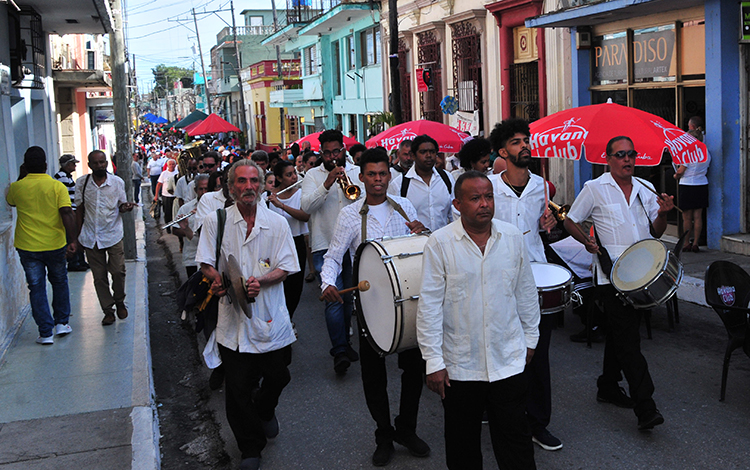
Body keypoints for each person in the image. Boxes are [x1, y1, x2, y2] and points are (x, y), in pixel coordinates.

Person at [417, 171, 540, 469]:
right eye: (475, 198)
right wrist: (434, 362)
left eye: (489, 197)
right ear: (458, 204)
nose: (484, 204)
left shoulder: (512, 237)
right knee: (463, 448)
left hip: (508, 359)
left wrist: (531, 339)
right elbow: (430, 306)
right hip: (461, 366)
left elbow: (525, 291)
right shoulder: (440, 243)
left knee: (516, 444)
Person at [320, 148, 429, 466]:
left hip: (407, 300)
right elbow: (334, 255)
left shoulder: (405, 207)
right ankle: (384, 434)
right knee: (373, 374)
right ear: (362, 177)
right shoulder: (349, 215)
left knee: (413, 370)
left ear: (389, 175)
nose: (378, 180)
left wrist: (421, 233)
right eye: (372, 174)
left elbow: (426, 248)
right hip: (369, 305)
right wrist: (328, 282)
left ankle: (406, 429)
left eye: (383, 174)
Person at [563, 136, 674, 431]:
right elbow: (570, 220)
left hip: (641, 276)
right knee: (629, 340)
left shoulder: (645, 189)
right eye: (621, 155)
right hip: (610, 276)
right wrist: (586, 240)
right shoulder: (594, 189)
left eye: (631, 154)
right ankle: (645, 407)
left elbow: (658, 231)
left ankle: (607, 385)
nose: (627, 159)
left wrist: (663, 214)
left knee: (619, 333)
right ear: (608, 159)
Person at [196, 160, 298, 470]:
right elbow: (205, 262)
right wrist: (218, 278)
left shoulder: (277, 223)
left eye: (254, 180)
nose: (248, 187)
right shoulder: (217, 221)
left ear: (263, 184)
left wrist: (261, 281)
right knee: (238, 389)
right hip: (233, 317)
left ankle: (265, 410)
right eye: (241, 181)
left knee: (279, 375)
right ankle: (250, 447)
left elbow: (286, 266)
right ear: (231, 188)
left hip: (270, 314)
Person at [487, 118, 561, 451]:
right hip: (498, 279)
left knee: (538, 352)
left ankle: (537, 422)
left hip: (534, 277)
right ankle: (505, 415)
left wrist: (551, 225)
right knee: (503, 351)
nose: (524, 145)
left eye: (526, 140)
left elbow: (550, 232)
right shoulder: (488, 188)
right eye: (516, 142)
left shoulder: (542, 187)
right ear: (503, 151)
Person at [301, 129, 363, 375]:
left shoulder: (356, 173)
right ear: (321, 152)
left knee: (348, 297)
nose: (331, 156)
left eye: (335, 151)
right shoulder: (311, 176)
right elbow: (307, 207)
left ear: (343, 150)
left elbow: (363, 201)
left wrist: (346, 182)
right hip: (325, 244)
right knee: (333, 299)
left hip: (352, 245)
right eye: (326, 152)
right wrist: (326, 185)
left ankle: (345, 343)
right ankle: (338, 350)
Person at [7, 146, 78, 344]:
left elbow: (11, 202)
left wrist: (23, 177)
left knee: (36, 287)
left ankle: (45, 333)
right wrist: (72, 240)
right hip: (54, 244)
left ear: (25, 166)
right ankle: (62, 323)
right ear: (46, 165)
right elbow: (66, 212)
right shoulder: (57, 187)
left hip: (28, 246)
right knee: (59, 281)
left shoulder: (16, 187)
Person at [75, 150, 136, 325]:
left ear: (106, 163)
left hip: (113, 234)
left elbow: (121, 205)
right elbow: (78, 209)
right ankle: (108, 310)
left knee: (118, 271)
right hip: (90, 236)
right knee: (99, 277)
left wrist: (126, 207)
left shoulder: (117, 182)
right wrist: (77, 236)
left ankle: (119, 301)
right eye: (96, 163)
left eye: (102, 162)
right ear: (89, 165)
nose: (100, 165)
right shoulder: (82, 183)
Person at [267, 160, 310, 322]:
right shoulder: (268, 197)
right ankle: (279, 321)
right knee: (279, 285)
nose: (294, 177)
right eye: (289, 174)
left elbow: (305, 216)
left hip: (295, 242)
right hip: (275, 245)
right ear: (279, 178)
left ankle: (288, 319)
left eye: (294, 173)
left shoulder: (300, 194)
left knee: (295, 286)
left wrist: (282, 206)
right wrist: (273, 201)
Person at [388, 135, 455, 232]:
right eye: (423, 152)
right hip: (414, 243)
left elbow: (454, 214)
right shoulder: (399, 184)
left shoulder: (447, 178)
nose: (428, 156)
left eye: (432, 152)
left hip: (443, 242)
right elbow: (394, 220)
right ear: (413, 155)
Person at [674, 129, 711, 252]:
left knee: (687, 218)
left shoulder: (688, 152)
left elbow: (681, 171)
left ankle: (686, 242)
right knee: (698, 216)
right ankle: (696, 243)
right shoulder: (706, 152)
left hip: (687, 185)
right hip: (702, 184)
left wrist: (676, 175)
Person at [55, 153, 89, 272]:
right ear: (67, 165)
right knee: (72, 236)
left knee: (78, 234)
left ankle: (80, 260)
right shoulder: (62, 177)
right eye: (73, 164)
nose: (74, 166)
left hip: (74, 209)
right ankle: (74, 261)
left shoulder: (67, 177)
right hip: (70, 210)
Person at [173, 173, 209, 277]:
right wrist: (186, 229)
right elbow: (175, 229)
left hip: (210, 259)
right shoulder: (186, 208)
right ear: (195, 190)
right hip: (192, 257)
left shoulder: (217, 208)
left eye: (206, 189)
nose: (204, 192)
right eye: (200, 189)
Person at [154, 158, 178, 228]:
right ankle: (168, 225)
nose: (171, 166)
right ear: (167, 165)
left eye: (173, 164)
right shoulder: (164, 173)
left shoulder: (177, 173)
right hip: (166, 196)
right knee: (167, 212)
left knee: (175, 211)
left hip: (175, 196)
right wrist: (156, 195)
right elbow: (159, 184)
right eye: (170, 164)